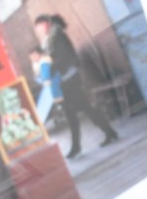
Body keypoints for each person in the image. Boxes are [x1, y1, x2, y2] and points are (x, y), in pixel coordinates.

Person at [33, 14, 118, 159]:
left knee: (74, 113)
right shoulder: (52, 38)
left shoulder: (57, 37)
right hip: (66, 80)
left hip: (70, 80)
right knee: (83, 109)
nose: (39, 31)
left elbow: (61, 59)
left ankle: (78, 147)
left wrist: (48, 70)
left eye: (39, 27)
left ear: (46, 24)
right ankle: (107, 133)